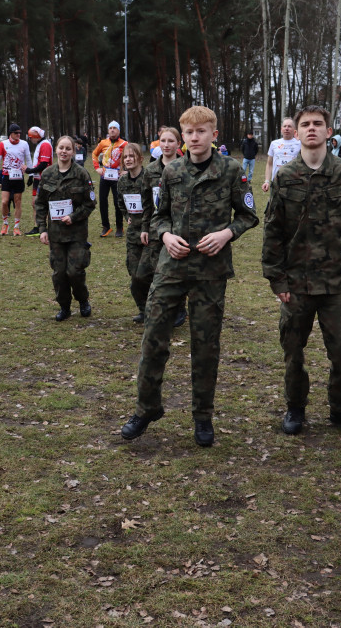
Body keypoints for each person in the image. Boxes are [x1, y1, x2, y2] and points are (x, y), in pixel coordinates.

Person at [120, 106, 259, 448]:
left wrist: (227, 234)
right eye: (189, 133)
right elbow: (158, 216)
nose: (195, 138)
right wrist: (166, 236)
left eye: (201, 131)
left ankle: (202, 416)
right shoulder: (172, 171)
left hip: (210, 272)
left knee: (206, 344)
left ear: (214, 134)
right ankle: (146, 407)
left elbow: (248, 214)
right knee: (153, 336)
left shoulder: (231, 170)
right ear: (182, 136)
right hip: (171, 267)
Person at [262, 105, 341, 438]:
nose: (312, 129)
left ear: (329, 132)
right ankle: (295, 407)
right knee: (293, 352)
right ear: (296, 133)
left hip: (336, 284)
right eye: (305, 125)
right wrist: (277, 278)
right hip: (295, 285)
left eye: (318, 124)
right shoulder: (285, 176)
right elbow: (273, 231)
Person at [35, 135, 96, 320]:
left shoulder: (81, 174)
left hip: (76, 233)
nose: (64, 151)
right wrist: (42, 229)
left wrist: (74, 216)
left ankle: (83, 300)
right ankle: (64, 306)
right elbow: (40, 204)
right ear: (56, 149)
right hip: (56, 235)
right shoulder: (47, 174)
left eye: (68, 148)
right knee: (59, 274)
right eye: (61, 148)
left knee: (75, 271)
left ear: (73, 151)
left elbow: (90, 203)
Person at [138, 127, 187, 327]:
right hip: (155, 229)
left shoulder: (184, 168)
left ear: (178, 144)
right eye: (162, 141)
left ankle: (178, 309)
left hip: (177, 230)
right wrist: (144, 227)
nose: (166, 145)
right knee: (144, 274)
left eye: (170, 141)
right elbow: (147, 203)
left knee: (175, 272)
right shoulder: (150, 171)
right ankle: (150, 309)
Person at [116, 142, 151, 322]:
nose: (128, 159)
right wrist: (125, 216)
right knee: (134, 273)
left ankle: (164, 309)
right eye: (125, 157)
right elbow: (120, 202)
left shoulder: (149, 178)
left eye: (131, 156)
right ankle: (144, 309)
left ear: (140, 158)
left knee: (147, 273)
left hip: (150, 234)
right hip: (133, 234)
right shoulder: (122, 181)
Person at [92, 121, 128, 237]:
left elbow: (132, 156)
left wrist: (126, 170)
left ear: (118, 131)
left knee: (118, 202)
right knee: (102, 201)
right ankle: (106, 227)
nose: (112, 130)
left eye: (115, 128)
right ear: (108, 130)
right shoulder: (103, 143)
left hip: (117, 177)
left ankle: (119, 227)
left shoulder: (124, 144)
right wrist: (97, 167)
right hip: (105, 176)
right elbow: (94, 154)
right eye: (110, 128)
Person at [0, 123, 32, 236]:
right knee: (4, 201)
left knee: (18, 202)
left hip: (19, 176)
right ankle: (5, 223)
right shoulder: (3, 144)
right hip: (6, 176)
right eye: (16, 133)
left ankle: (16, 226)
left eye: (20, 133)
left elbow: (28, 159)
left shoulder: (24, 144)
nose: (18, 135)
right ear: (11, 133)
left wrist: (31, 174)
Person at [25, 126, 54, 237]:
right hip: (37, 179)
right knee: (34, 204)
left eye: (32, 137)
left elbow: (43, 164)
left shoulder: (45, 144)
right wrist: (31, 176)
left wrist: (29, 171)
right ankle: (37, 227)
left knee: (43, 204)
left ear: (37, 136)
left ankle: (45, 227)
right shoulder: (39, 145)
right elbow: (37, 162)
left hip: (45, 179)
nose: (31, 139)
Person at [263, 117, 300, 192]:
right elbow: (269, 164)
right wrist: (267, 181)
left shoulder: (300, 144)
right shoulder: (274, 143)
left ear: (294, 130)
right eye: (285, 126)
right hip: (276, 183)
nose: (287, 128)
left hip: (293, 183)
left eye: (289, 126)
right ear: (281, 129)